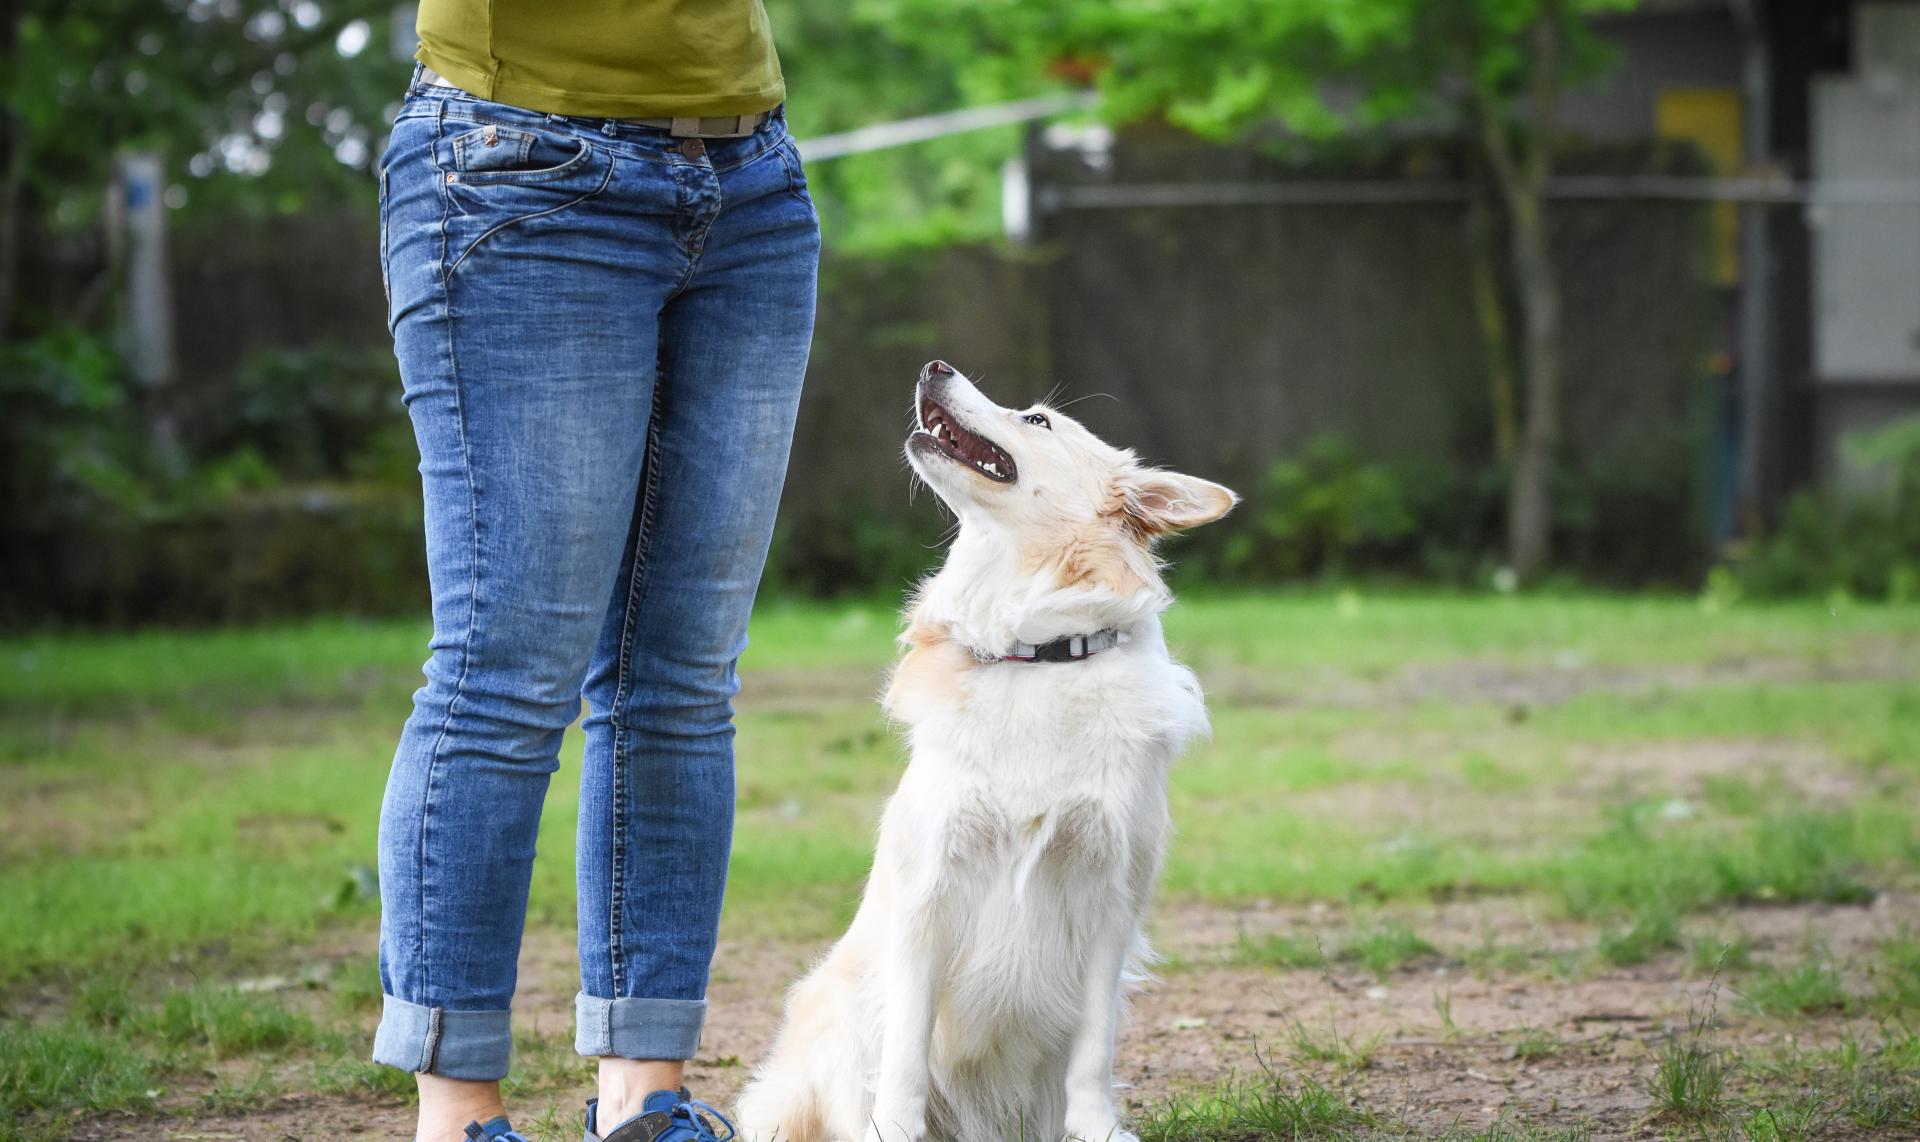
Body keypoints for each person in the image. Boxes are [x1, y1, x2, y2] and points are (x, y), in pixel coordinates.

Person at [370, 3, 817, 1140]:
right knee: (505, 669)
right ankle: (458, 1111)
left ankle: (644, 1102)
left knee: (681, 678)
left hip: (749, 174)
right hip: (518, 164)